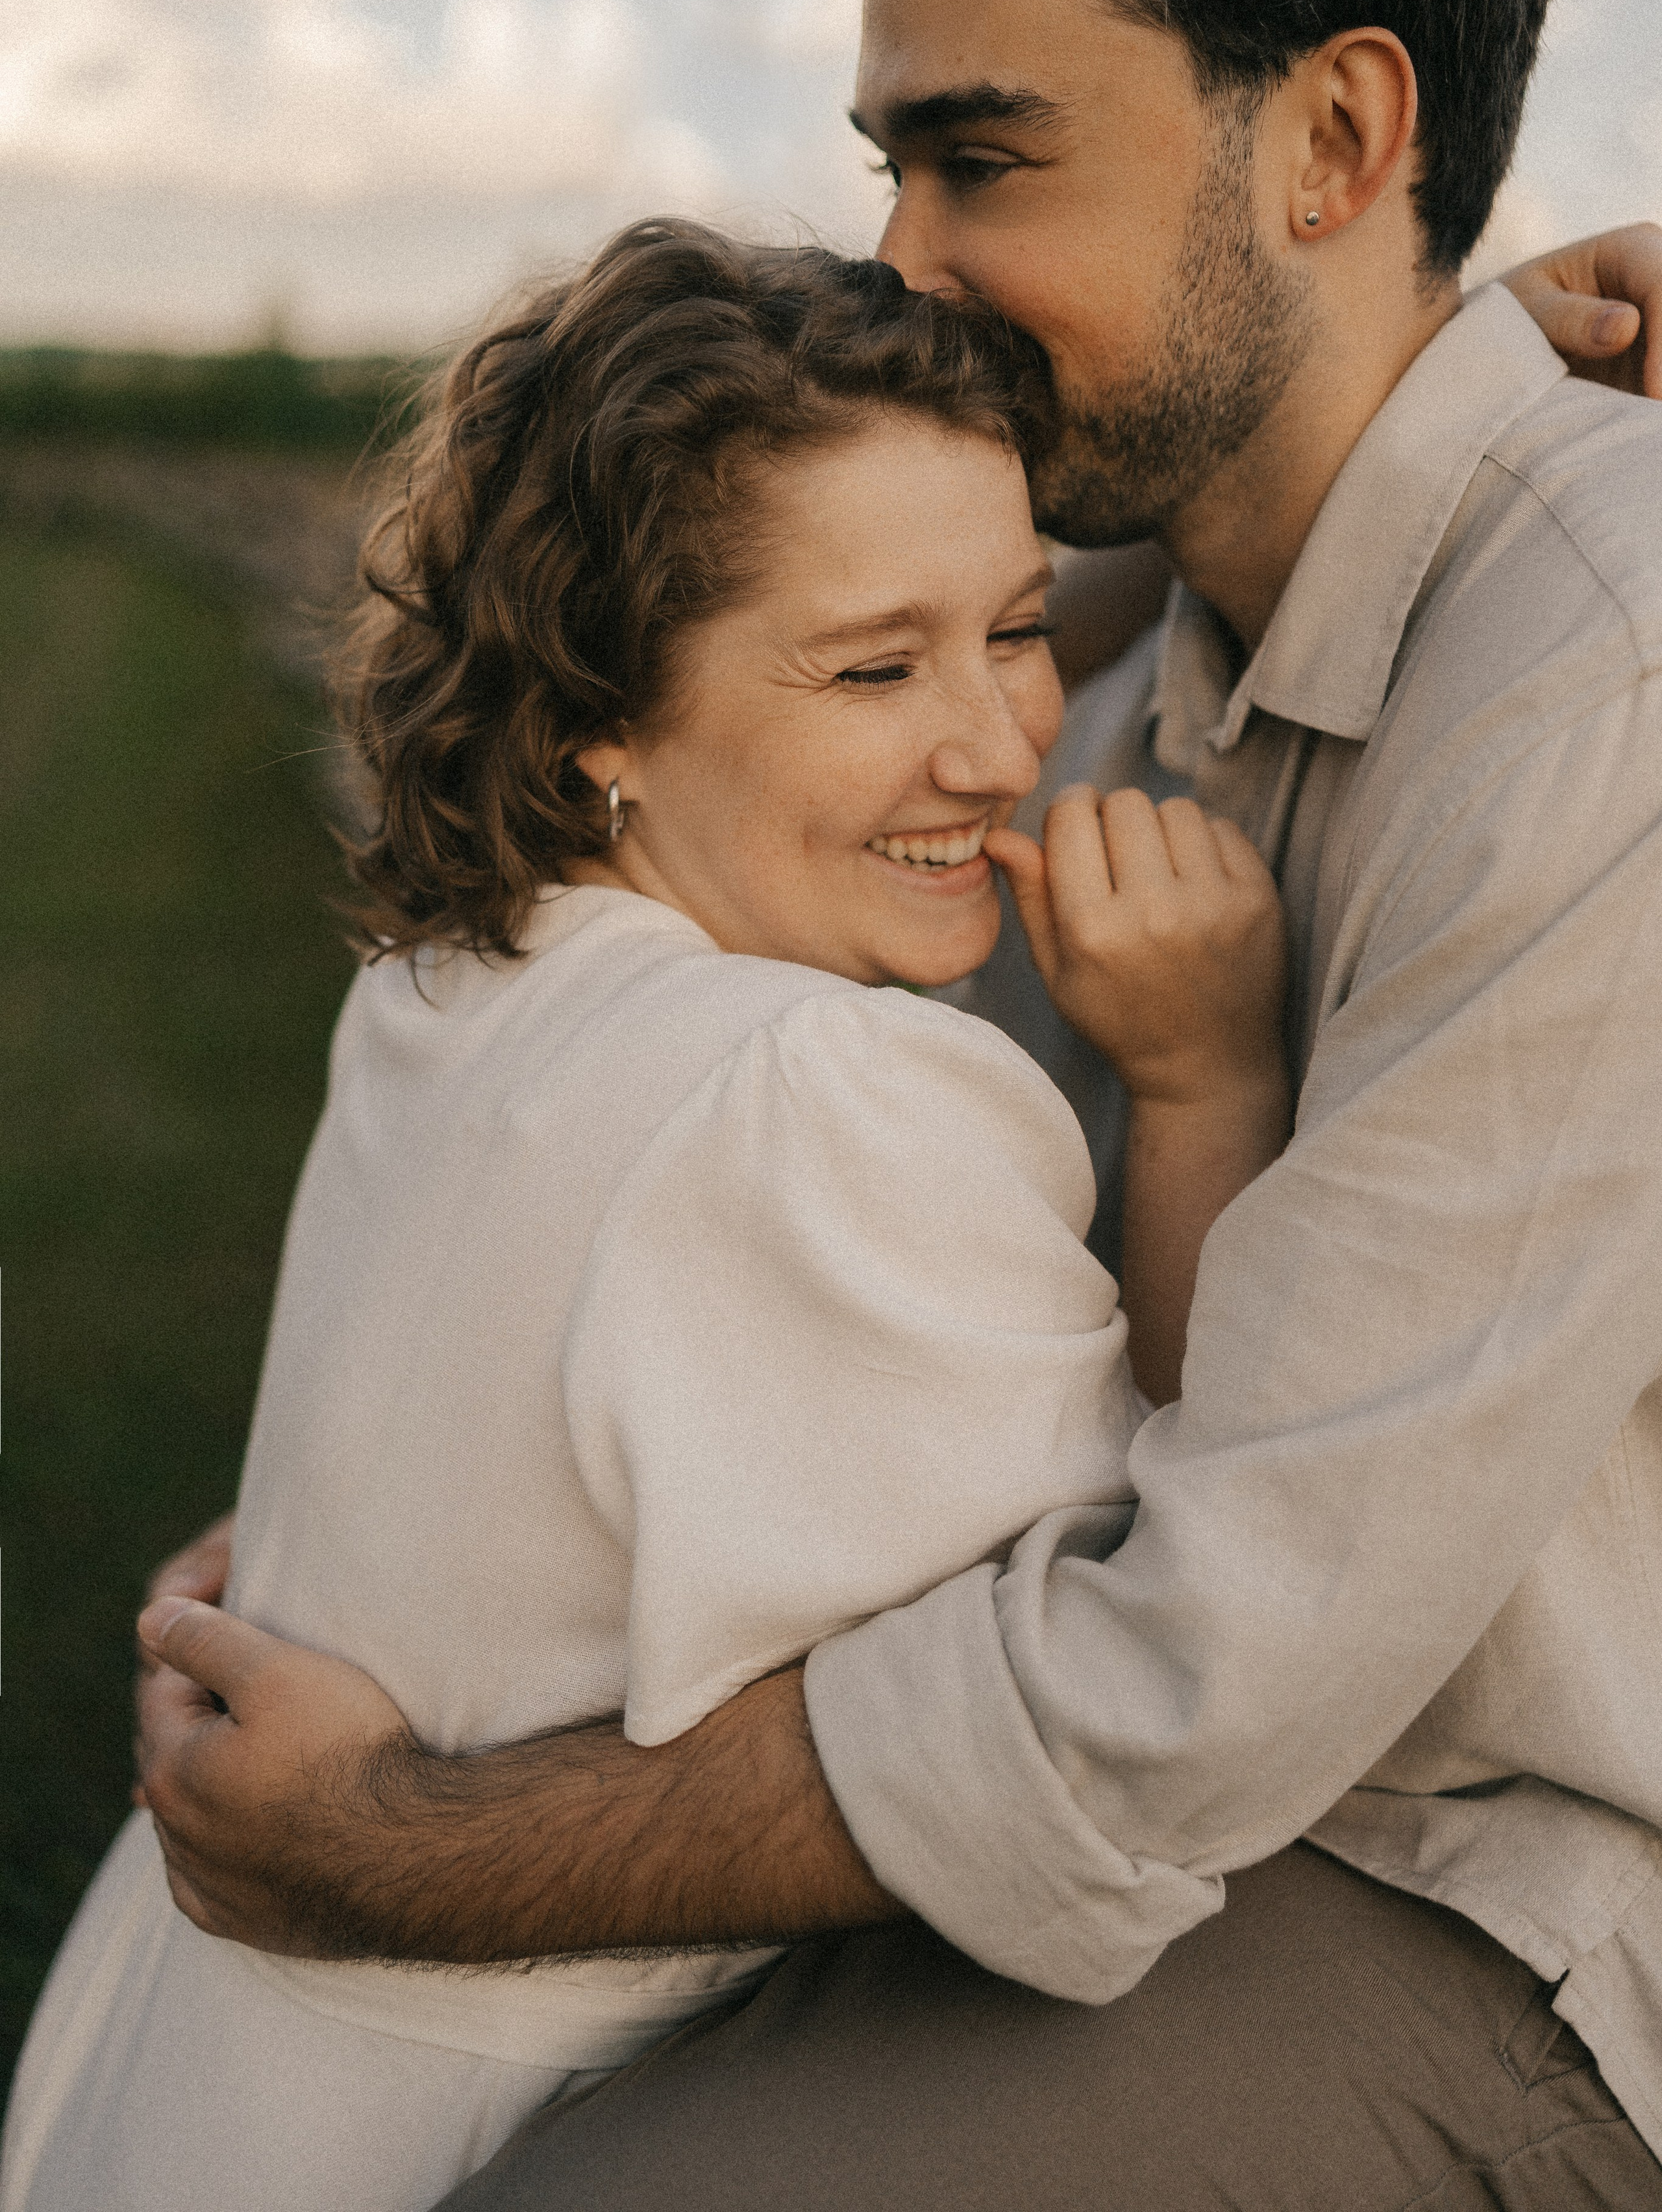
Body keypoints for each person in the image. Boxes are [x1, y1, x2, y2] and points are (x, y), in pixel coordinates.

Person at [84, 0, 1662, 2204]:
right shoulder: (1128, 628)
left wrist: (399, 1835)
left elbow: (1176, 1680)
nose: (904, 257)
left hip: (1500, 1900)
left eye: (983, 155)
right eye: (889, 165)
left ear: (1339, 145)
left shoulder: (1608, 689)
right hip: (1199, 1799)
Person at [0, 221, 1295, 2211]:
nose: (1002, 742)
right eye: (877, 667)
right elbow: (1173, 1658)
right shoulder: (831, 1094)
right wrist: (1209, 1085)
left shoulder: (452, 982)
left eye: (1022, 627)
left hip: (196, 2072)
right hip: (505, 2131)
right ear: (600, 707)